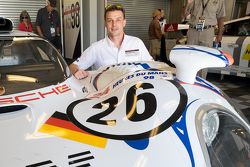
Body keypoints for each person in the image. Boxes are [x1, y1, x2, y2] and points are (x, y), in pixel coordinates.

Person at [70, 4, 153, 80]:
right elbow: (72, 66)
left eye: (118, 20)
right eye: (110, 20)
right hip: (107, 95)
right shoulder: (97, 48)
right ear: (105, 24)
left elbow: (152, 66)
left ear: (124, 22)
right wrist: (76, 72)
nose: (114, 24)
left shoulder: (137, 43)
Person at [183, 0, 226, 78]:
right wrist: (187, 3)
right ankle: (189, 79)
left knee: (204, 57)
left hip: (208, 31)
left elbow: (221, 17)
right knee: (190, 56)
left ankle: (201, 80)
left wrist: (220, 34)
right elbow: (184, 14)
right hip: (193, 30)